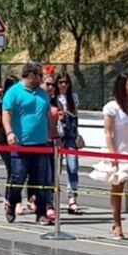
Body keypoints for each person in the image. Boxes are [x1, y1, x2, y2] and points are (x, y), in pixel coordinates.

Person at [91, 73, 128, 240]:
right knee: (117, 188)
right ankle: (116, 224)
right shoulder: (111, 107)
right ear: (121, 86)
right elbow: (109, 133)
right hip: (118, 149)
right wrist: (113, 155)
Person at [1, 62, 53, 225]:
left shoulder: (42, 94)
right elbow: (6, 114)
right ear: (31, 75)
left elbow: (48, 115)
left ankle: (41, 212)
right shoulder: (14, 92)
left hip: (41, 143)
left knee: (41, 180)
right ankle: (11, 203)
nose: (42, 78)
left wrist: (55, 134)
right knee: (18, 177)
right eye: (39, 75)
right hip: (21, 143)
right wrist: (9, 132)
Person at [54, 72, 83, 215]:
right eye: (61, 82)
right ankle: (52, 200)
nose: (64, 85)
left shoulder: (74, 98)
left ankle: (72, 199)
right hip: (57, 135)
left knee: (73, 167)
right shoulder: (53, 98)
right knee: (55, 169)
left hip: (70, 135)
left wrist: (77, 134)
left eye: (66, 82)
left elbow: (76, 117)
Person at [0, 77, 17, 195]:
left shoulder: (19, 100)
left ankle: (13, 196)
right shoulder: (1, 103)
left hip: (18, 137)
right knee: (12, 168)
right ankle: (10, 197)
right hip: (3, 139)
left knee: (18, 169)